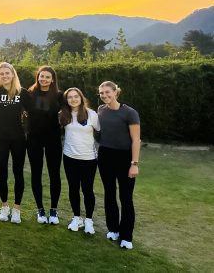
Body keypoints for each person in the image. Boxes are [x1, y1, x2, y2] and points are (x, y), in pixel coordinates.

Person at [97, 81, 141, 250]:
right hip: (105, 156)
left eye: (107, 92)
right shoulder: (101, 110)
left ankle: (126, 236)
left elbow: (136, 140)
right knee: (109, 194)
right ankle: (113, 229)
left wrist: (134, 164)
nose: (104, 96)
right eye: (101, 93)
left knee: (126, 197)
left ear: (116, 92)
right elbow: (100, 134)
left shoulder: (129, 113)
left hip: (125, 158)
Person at [0, 62, 31, 224]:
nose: (5, 76)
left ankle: (16, 209)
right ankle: (5, 206)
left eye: (7, 73)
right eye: (2, 74)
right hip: (0, 137)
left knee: (18, 172)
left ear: (13, 74)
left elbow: (32, 113)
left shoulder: (23, 93)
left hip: (18, 139)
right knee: (2, 173)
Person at [59, 87, 100, 234]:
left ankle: (88, 220)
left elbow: (100, 133)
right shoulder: (63, 115)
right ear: (66, 100)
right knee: (73, 188)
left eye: (76, 96)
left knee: (87, 189)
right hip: (70, 157)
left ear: (81, 98)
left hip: (88, 159)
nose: (73, 99)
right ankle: (77, 217)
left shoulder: (92, 114)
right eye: (70, 97)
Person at [26, 65, 63, 224]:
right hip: (34, 139)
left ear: (52, 79)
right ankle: (40, 209)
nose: (44, 79)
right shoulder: (29, 94)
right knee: (36, 173)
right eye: (42, 76)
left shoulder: (59, 96)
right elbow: (9, 92)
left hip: (53, 139)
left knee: (54, 174)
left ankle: (53, 210)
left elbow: (73, 107)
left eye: (47, 77)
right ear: (38, 77)